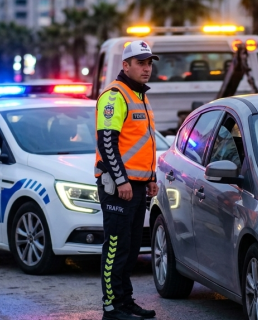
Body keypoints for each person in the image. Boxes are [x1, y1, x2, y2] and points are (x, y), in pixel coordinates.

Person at [94, 40, 159, 320]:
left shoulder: (140, 96)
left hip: (138, 185)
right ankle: (111, 308)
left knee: (131, 250)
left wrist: (152, 177)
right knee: (116, 248)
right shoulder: (114, 96)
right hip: (118, 186)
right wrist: (121, 181)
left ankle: (125, 301)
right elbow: (107, 143)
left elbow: (144, 143)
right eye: (141, 63)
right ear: (126, 66)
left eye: (149, 63)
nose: (147, 69)